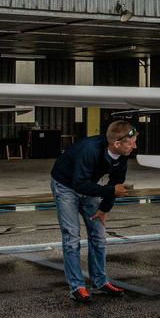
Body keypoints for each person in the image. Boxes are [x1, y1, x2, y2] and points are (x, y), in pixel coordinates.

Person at [49, 120, 137, 301]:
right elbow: (80, 184)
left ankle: (99, 282)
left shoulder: (122, 155)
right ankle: (77, 287)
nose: (134, 147)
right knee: (72, 236)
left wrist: (104, 209)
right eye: (131, 143)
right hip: (66, 186)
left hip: (89, 185)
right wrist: (110, 191)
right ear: (116, 144)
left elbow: (116, 183)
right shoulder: (89, 150)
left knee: (98, 234)